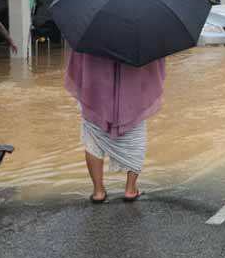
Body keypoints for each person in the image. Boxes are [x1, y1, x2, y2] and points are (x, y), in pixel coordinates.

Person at [64, 51, 166, 203]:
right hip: (133, 85)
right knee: (135, 134)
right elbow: (156, 60)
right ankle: (130, 189)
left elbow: (78, 58)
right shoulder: (143, 31)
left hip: (96, 86)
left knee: (93, 136)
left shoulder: (91, 30)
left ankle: (98, 191)